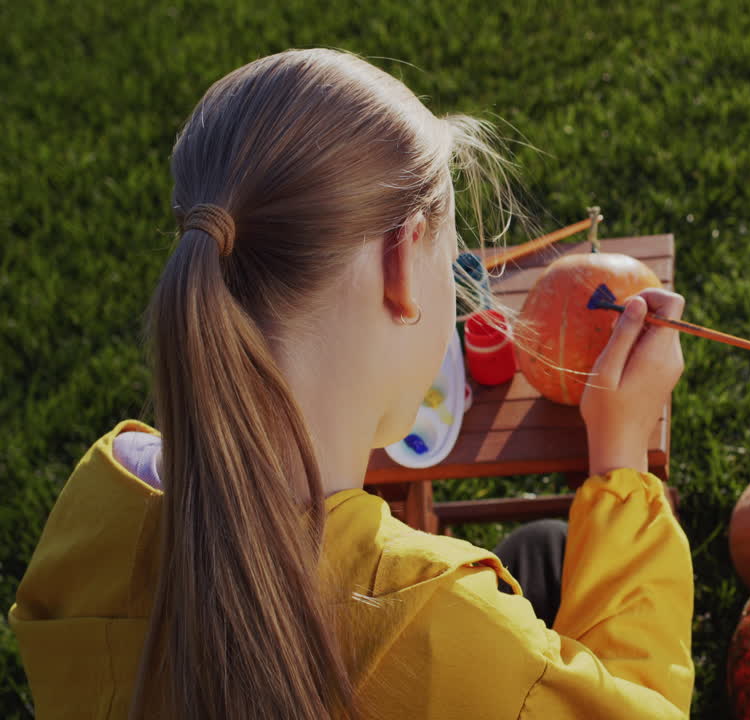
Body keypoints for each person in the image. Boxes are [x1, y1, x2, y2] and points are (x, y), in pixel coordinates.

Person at [8, 48, 693, 719]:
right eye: (452, 264)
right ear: (400, 263)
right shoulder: (447, 624)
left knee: (542, 553)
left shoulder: (95, 505)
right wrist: (622, 460)